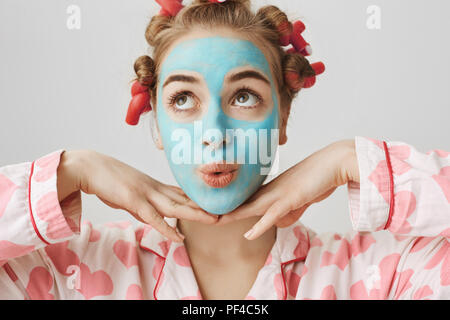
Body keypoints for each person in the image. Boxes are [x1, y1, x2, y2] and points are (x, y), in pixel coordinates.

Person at [0, 0, 448, 300]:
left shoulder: (374, 275)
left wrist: (350, 159)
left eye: (244, 96)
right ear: (156, 123)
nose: (214, 133)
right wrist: (72, 169)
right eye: (182, 99)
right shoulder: (67, 271)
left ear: (283, 118)